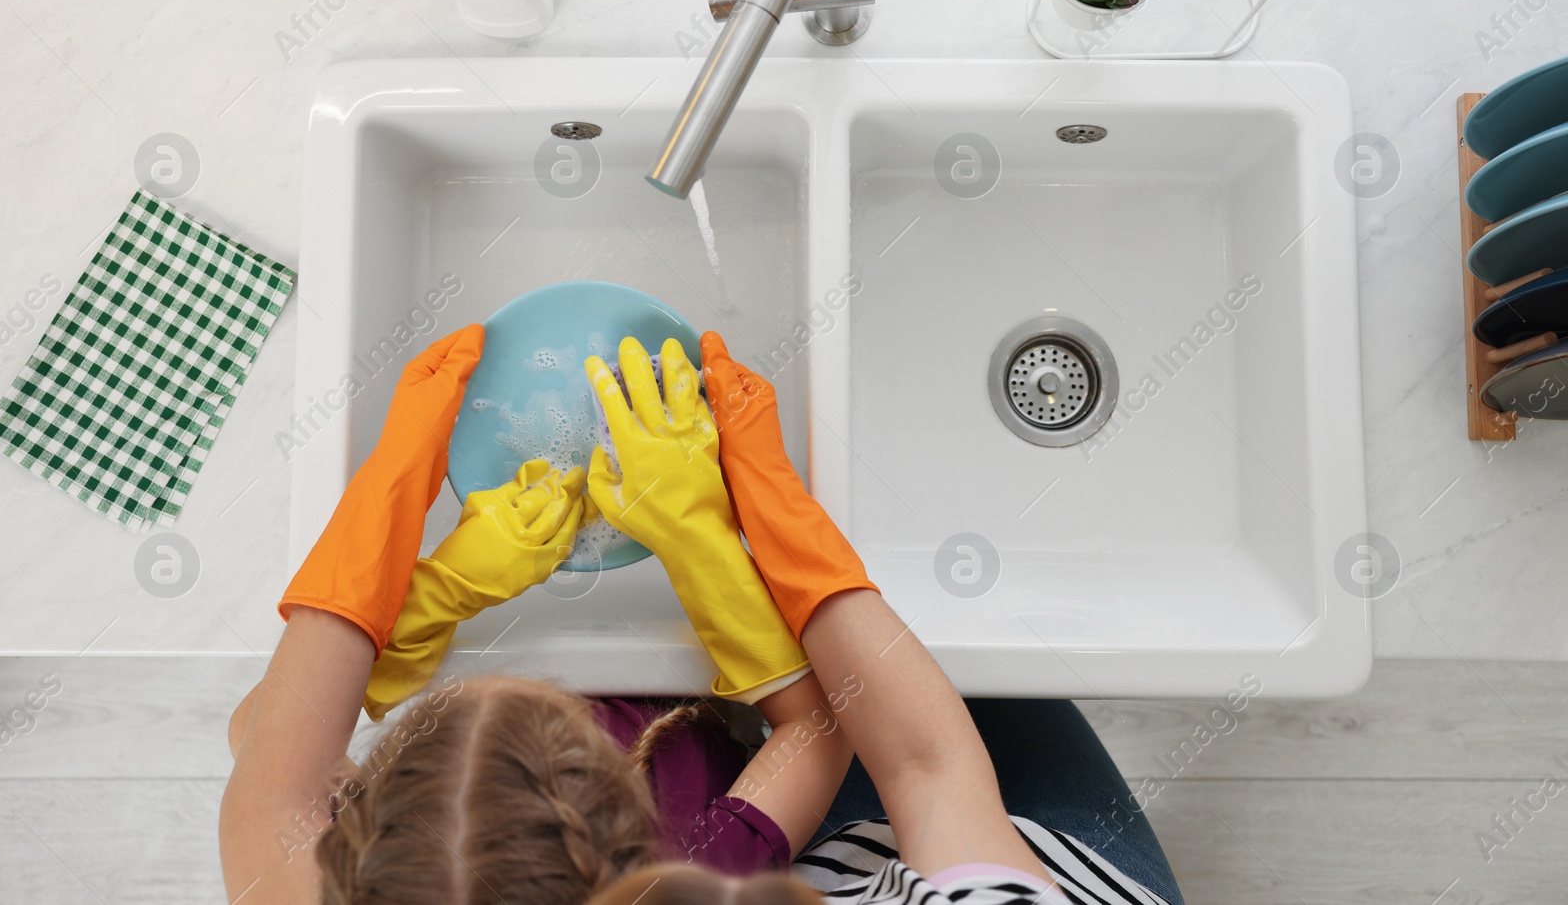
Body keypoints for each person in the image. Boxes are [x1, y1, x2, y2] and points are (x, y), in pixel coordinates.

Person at [219, 327, 1183, 904]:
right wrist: (739, 529)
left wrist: (422, 565)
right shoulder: (712, 862)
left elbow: (271, 764)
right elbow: (927, 768)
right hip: (1041, 872)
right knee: (974, 677)